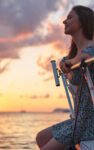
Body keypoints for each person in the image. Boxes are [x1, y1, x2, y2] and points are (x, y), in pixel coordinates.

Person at [36, 5, 94, 150]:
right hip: (79, 120)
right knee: (41, 137)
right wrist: (66, 61)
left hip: (89, 123)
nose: (64, 21)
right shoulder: (75, 54)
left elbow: (86, 56)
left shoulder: (91, 48)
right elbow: (78, 59)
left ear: (82, 21)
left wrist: (70, 62)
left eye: (69, 17)